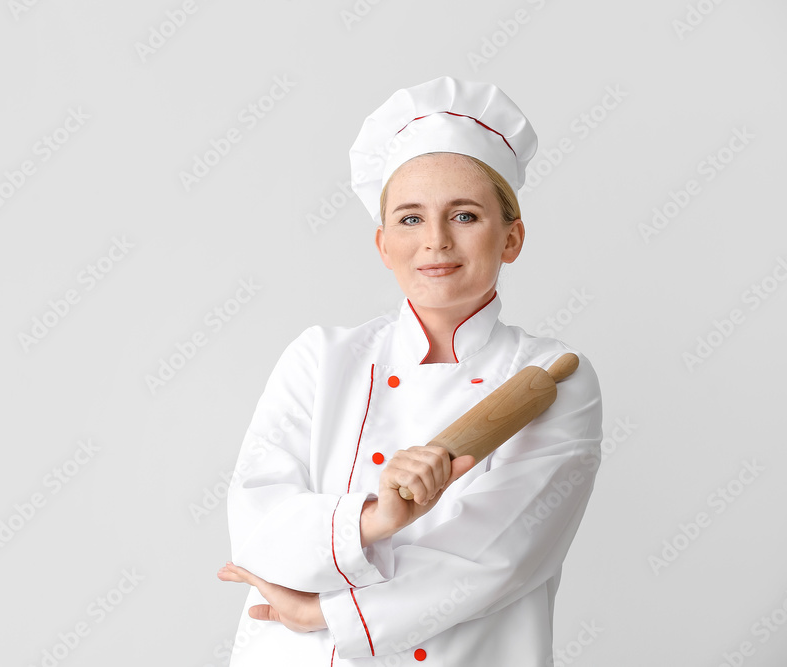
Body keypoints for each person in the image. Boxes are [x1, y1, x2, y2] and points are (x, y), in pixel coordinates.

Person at [217, 76, 603, 666]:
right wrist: (373, 518)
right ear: (382, 244)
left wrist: (323, 612)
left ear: (512, 237)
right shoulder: (320, 358)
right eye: (411, 219)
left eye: (466, 215)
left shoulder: (553, 376)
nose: (437, 243)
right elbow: (258, 526)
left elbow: (499, 557)